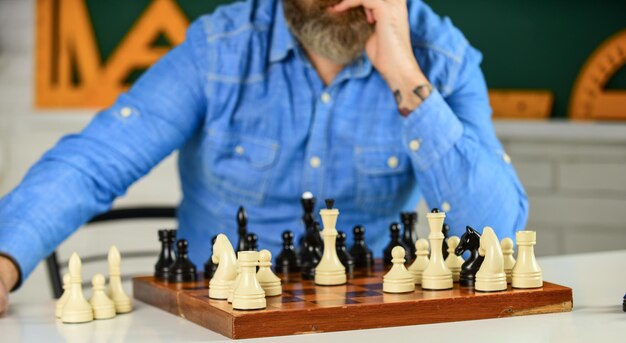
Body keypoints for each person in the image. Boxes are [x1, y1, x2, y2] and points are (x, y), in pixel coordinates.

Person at [0, 0, 528, 316]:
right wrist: (3, 259)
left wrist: (406, 76)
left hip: (367, 323)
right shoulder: (219, 49)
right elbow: (95, 161)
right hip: (214, 321)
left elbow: (497, 234)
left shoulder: (441, 57)